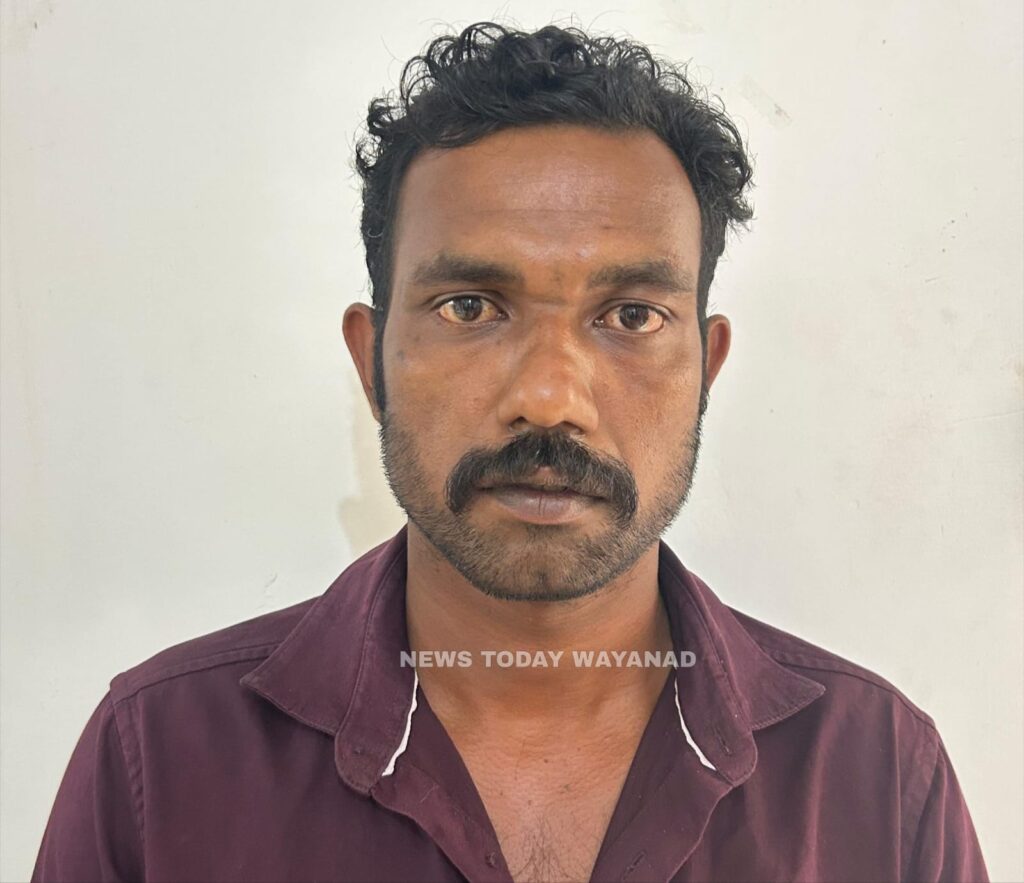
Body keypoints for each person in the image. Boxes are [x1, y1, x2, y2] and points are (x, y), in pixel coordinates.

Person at [33, 22, 988, 883]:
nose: (550, 398)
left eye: (631, 315)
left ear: (707, 367)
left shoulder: (875, 777)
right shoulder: (161, 761)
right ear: (372, 361)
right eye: (470, 307)